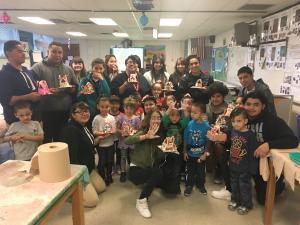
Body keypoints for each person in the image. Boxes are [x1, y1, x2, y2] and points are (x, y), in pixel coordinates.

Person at [60, 102, 106, 207]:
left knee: (101, 188)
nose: (84, 114)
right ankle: (69, 193)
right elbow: (72, 158)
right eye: (80, 112)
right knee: (93, 201)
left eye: (86, 111)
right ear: (73, 114)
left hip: (88, 167)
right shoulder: (70, 130)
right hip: (78, 172)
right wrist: (79, 178)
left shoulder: (83, 125)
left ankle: (87, 187)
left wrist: (97, 140)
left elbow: (87, 144)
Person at [31, 41, 78, 143]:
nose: (57, 55)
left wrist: (68, 89)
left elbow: (75, 88)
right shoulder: (37, 68)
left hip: (64, 111)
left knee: (62, 139)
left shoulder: (68, 69)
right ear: (47, 52)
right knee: (46, 139)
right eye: (54, 52)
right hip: (45, 112)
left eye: (60, 52)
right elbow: (32, 88)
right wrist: (46, 91)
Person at [125, 110, 165, 218]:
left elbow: (158, 157)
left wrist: (165, 150)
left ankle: (146, 189)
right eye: (153, 118)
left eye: (158, 118)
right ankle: (142, 201)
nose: (156, 120)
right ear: (148, 120)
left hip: (147, 169)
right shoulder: (143, 131)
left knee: (159, 173)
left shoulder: (159, 137)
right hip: (135, 171)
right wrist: (146, 136)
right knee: (157, 173)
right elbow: (127, 141)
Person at [0, 40, 40, 125]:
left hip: (35, 117)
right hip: (16, 121)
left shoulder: (29, 72)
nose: (23, 54)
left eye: (24, 51)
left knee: (38, 138)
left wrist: (46, 91)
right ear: (8, 53)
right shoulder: (4, 74)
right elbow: (6, 100)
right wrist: (28, 97)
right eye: (19, 51)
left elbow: (38, 88)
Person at [227, 108, 258, 215]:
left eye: (238, 121)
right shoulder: (233, 132)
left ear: (245, 121)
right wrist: (229, 161)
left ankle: (246, 204)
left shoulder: (250, 135)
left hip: (245, 168)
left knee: (244, 187)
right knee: (234, 185)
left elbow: (253, 153)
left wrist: (252, 168)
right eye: (233, 121)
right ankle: (235, 200)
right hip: (233, 165)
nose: (235, 124)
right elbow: (232, 148)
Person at [183, 102, 210, 196]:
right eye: (191, 112)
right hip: (190, 154)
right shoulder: (189, 124)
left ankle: (201, 185)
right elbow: (185, 139)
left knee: (201, 172)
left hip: (201, 155)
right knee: (190, 171)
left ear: (202, 114)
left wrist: (205, 153)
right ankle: (189, 185)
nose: (192, 114)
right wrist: (184, 152)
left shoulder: (206, 126)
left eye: (195, 112)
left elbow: (208, 141)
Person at [206, 81, 230, 185]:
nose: (215, 99)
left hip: (224, 137)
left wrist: (220, 131)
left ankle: (220, 169)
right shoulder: (206, 107)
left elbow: (232, 126)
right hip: (208, 134)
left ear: (223, 96)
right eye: (213, 96)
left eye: (218, 96)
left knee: (218, 145)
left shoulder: (229, 108)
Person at [161, 107, 190, 193]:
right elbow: (163, 120)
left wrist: (184, 111)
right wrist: (168, 110)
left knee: (176, 169)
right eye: (172, 115)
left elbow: (186, 123)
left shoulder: (181, 124)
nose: (174, 118)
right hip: (168, 149)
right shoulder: (167, 124)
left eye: (177, 116)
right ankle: (166, 186)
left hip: (178, 150)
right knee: (168, 167)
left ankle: (175, 187)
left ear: (180, 117)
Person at [92, 97, 116, 185]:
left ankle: (109, 175)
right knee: (102, 162)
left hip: (110, 144)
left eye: (107, 107)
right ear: (98, 107)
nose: (105, 109)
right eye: (102, 107)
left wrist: (110, 133)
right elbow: (94, 132)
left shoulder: (112, 118)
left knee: (110, 161)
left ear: (110, 107)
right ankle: (102, 177)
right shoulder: (96, 118)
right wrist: (102, 134)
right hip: (101, 145)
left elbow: (114, 130)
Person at [116, 97, 141, 182]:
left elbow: (139, 130)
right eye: (127, 108)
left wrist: (134, 132)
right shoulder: (121, 117)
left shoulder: (137, 119)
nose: (129, 110)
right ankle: (123, 172)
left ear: (134, 109)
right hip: (123, 141)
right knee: (123, 157)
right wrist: (122, 131)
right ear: (124, 108)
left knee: (132, 157)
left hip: (133, 142)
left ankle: (132, 172)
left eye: (131, 108)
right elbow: (117, 128)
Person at [109, 95, 123, 175]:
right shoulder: (106, 114)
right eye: (112, 103)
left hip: (119, 138)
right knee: (110, 153)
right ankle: (111, 166)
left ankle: (118, 165)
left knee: (119, 153)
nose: (114, 105)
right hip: (109, 138)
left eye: (116, 103)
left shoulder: (122, 115)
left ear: (119, 105)